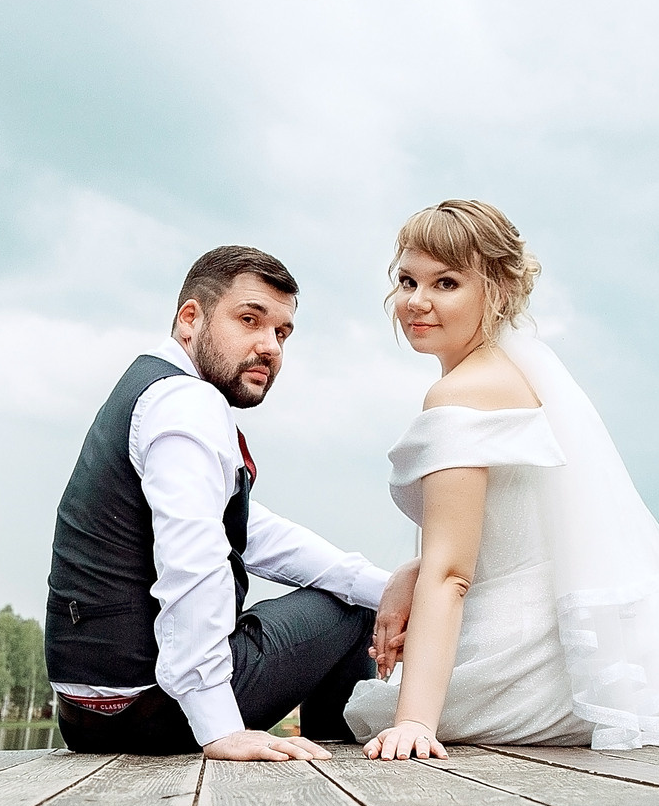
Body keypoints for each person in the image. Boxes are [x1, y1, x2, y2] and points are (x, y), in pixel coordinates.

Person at [349, 200, 659, 759]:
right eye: (407, 280)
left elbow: (453, 573)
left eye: (446, 282)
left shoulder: (459, 392)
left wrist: (414, 723)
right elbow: (514, 527)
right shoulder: (519, 372)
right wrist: (410, 569)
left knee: (364, 708)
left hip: (532, 663)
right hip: (586, 652)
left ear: (497, 291)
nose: (416, 302)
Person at [46, 245, 415, 760]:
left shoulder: (150, 391)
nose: (270, 347)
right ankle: (346, 756)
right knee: (350, 612)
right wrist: (218, 727)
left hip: (85, 718)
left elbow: (251, 532)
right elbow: (192, 561)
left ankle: (331, 744)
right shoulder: (185, 403)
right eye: (249, 320)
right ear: (189, 320)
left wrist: (386, 587)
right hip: (158, 711)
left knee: (354, 591)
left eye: (282, 333)